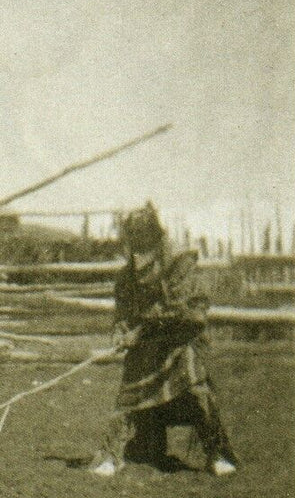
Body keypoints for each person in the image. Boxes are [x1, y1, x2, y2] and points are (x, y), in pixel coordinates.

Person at [89, 203, 236, 477]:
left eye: (144, 246)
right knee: (129, 403)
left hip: (177, 344)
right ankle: (111, 457)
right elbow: (122, 314)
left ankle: (216, 453)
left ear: (157, 242)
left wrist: (143, 330)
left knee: (196, 392)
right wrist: (122, 332)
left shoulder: (179, 268)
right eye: (133, 245)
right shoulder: (126, 278)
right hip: (144, 353)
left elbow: (189, 315)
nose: (138, 254)